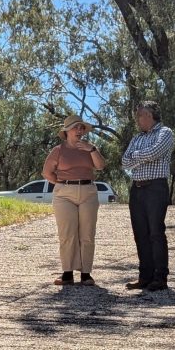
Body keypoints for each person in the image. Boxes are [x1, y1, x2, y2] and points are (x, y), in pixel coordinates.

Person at [42, 114, 106, 286]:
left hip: (88, 192)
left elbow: (100, 166)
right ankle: (67, 273)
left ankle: (86, 274)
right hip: (64, 194)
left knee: (87, 234)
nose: (79, 130)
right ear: (67, 131)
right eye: (76, 127)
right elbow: (47, 173)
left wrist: (92, 149)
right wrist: (63, 184)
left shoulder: (90, 148)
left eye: (82, 128)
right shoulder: (58, 150)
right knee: (67, 234)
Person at [121, 101, 174, 291]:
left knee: (155, 232)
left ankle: (160, 277)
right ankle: (145, 276)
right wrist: (139, 157)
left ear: (149, 116)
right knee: (140, 233)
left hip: (155, 188)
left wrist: (137, 156)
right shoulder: (136, 137)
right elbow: (125, 161)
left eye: (140, 115)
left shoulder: (165, 133)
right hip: (137, 189)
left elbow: (154, 152)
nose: (137, 119)